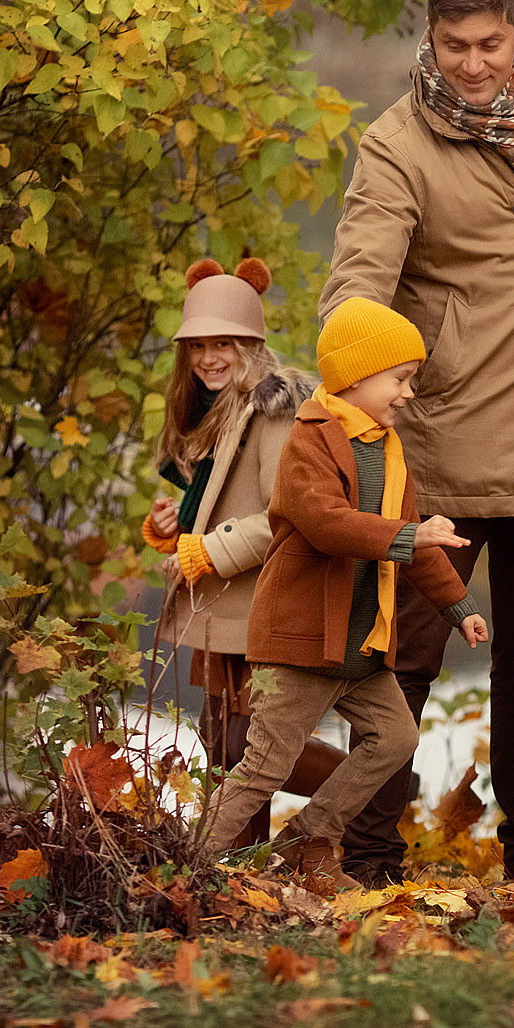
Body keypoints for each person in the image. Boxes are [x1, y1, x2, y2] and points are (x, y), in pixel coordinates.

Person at [320, 0, 514, 882]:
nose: (472, 65)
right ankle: (366, 856)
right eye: (453, 47)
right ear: (429, 40)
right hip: (444, 440)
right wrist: (351, 380)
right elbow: (357, 284)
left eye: (489, 44)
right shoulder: (395, 145)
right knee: (404, 659)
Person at [202, 297, 489, 896]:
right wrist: (410, 535)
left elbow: (414, 542)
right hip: (304, 640)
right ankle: (184, 867)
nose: (407, 393)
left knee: (398, 737)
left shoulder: (388, 446)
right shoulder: (310, 441)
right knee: (262, 768)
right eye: (400, 379)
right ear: (357, 376)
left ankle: (311, 833)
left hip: (362, 641)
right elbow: (327, 524)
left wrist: (458, 608)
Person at [141, 258, 340, 849]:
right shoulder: (207, 412)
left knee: (249, 743)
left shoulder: (273, 412)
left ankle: (374, 788)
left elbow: (285, 513)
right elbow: (210, 504)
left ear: (250, 344)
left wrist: (207, 552)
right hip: (219, 605)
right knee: (221, 741)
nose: (209, 357)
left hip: (260, 602)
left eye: (223, 343)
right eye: (198, 345)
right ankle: (241, 862)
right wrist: (167, 528)